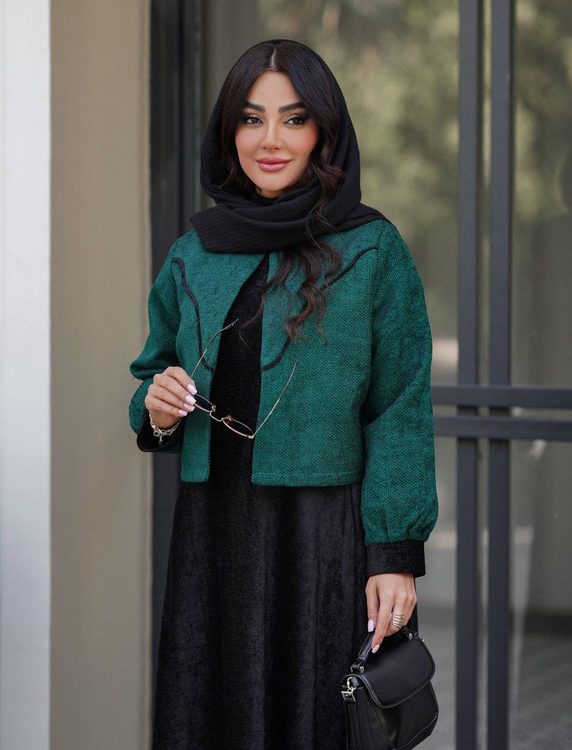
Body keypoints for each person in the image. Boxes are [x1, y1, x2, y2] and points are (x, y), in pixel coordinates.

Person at [129, 38, 438, 750]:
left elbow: (399, 406)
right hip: (215, 535)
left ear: (324, 133)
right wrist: (156, 404)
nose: (270, 139)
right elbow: (153, 371)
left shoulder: (372, 249)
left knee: (319, 721)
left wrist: (394, 554)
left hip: (325, 541)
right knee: (212, 715)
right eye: (251, 118)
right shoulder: (194, 251)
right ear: (228, 131)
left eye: (293, 119)